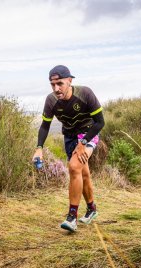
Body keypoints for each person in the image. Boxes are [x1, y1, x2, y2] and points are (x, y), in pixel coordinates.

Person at [32, 65, 105, 232]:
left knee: (73, 167)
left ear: (69, 80)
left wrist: (83, 143)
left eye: (60, 84)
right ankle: (92, 209)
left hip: (88, 133)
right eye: (53, 85)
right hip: (70, 137)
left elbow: (100, 122)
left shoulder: (85, 93)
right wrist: (39, 148)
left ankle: (72, 217)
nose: (56, 88)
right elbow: (44, 126)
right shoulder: (51, 100)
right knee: (83, 173)